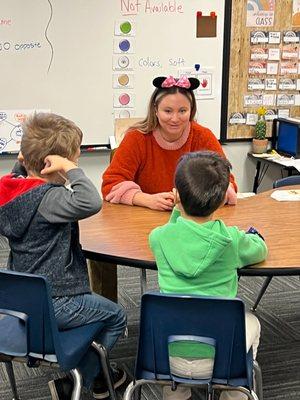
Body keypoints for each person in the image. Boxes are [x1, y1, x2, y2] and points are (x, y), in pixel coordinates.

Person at [0, 113, 127, 400]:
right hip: (59, 300)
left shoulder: (11, 191)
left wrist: (23, 161)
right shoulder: (50, 200)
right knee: (117, 315)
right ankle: (87, 379)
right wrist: (71, 169)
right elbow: (90, 201)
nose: (74, 166)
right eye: (74, 160)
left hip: (23, 302)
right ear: (51, 164)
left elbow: (17, 173)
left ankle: (86, 372)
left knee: (98, 313)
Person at [149, 151, 268, 400]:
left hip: (167, 357)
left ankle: (176, 393)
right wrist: (254, 237)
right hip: (219, 360)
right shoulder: (231, 240)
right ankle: (233, 390)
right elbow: (260, 250)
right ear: (223, 199)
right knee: (252, 321)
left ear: (176, 196)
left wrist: (177, 208)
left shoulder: (158, 238)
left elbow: (173, 231)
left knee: (175, 319)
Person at [102, 75, 237, 211]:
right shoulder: (136, 138)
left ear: (191, 110)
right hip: (144, 217)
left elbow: (226, 183)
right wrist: (147, 199)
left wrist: (194, 200)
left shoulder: (203, 136)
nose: (175, 118)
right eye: (167, 111)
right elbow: (111, 185)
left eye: (182, 111)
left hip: (191, 218)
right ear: (155, 110)